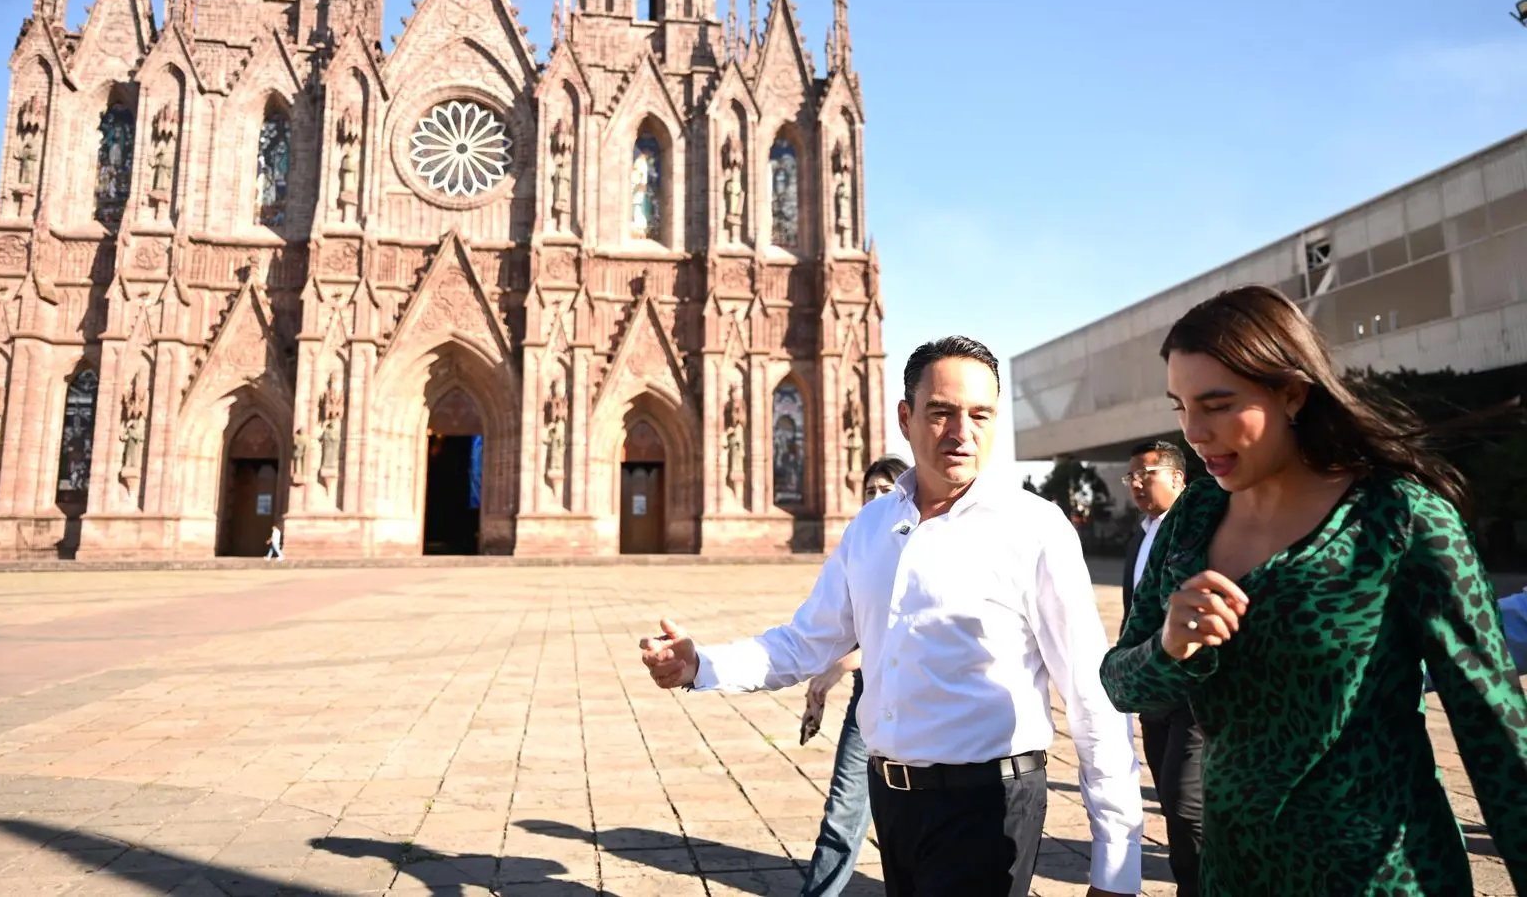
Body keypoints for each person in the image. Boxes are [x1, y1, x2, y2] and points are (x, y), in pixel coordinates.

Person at [641, 337, 1142, 897]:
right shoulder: (873, 526)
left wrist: (1117, 864)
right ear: (905, 418)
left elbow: (1091, 692)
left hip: (990, 806)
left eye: (980, 415)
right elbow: (806, 642)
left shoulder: (1035, 529)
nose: (962, 432)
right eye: (941, 413)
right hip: (894, 803)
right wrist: (701, 664)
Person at [1101, 285, 1527, 896]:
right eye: (1180, 406)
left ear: (1293, 393)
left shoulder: (1400, 519)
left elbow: (1495, 733)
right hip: (1234, 872)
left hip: (1379, 877)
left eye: (1218, 405)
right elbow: (1121, 682)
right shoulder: (1192, 516)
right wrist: (1169, 647)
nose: (1194, 431)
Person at [797, 454, 910, 897]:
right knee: (842, 816)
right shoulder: (859, 549)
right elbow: (825, 629)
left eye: (887, 490)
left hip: (921, 713)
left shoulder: (924, 547)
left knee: (914, 834)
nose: (877, 499)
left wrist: (837, 668)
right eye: (869, 492)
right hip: (868, 707)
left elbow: (906, 634)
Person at [1117, 440, 1201, 897]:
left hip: (1192, 690)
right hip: (1151, 692)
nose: (1135, 484)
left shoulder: (1196, 528)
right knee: (1172, 803)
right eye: (1130, 476)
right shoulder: (1141, 534)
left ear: (1177, 479)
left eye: (1144, 474)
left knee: (1186, 803)